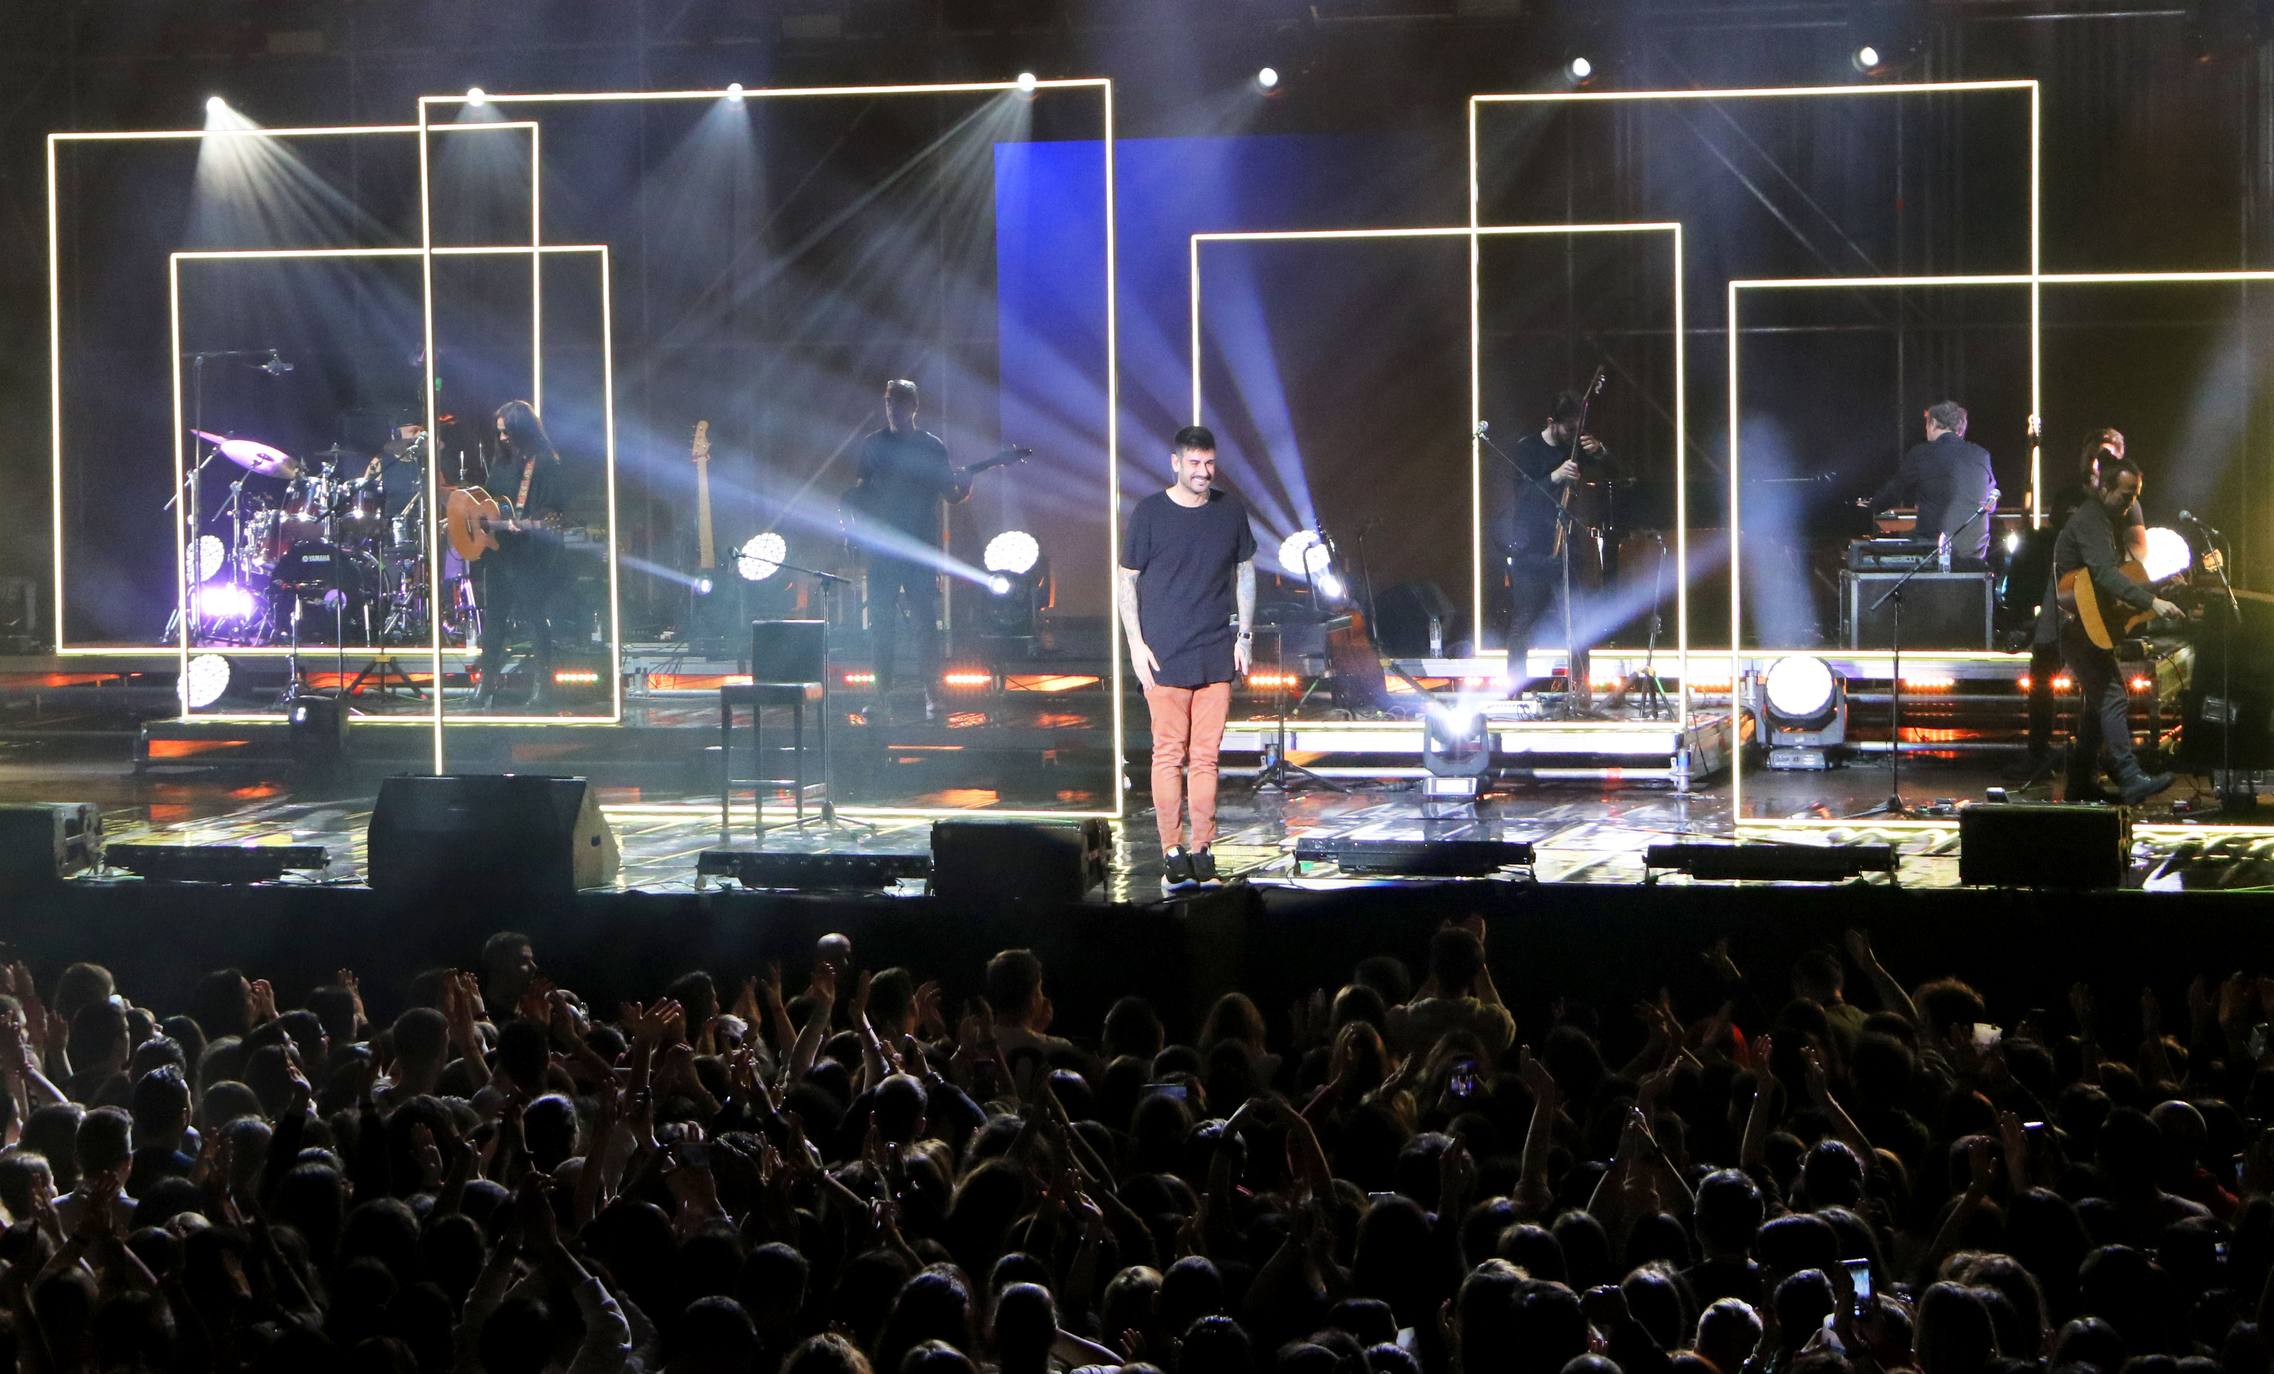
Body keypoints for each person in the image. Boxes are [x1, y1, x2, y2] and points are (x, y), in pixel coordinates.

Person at [1117, 426, 1255, 893]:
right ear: (1175, 462)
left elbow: (1245, 570)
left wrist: (1246, 635)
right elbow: (1127, 580)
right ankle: (1171, 849)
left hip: (1215, 649)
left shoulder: (1228, 510)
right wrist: (1135, 644)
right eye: (1194, 463)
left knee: (1206, 757)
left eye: (1209, 463)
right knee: (1168, 753)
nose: (1203, 472)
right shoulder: (1150, 513)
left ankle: (1202, 849)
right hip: (1164, 654)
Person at [2008, 429, 2142, 786]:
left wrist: (2131, 588)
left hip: (2095, 604)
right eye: (2099, 455)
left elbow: (2135, 549)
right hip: (2064, 595)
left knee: (2101, 688)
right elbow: (2048, 543)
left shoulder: (2123, 502)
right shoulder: (2074, 501)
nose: (2103, 461)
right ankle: (2041, 753)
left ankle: (2090, 763)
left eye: (2111, 456)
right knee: (2045, 671)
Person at [2052, 455, 2179, 805]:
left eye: (2135, 495)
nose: (2131, 504)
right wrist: (2151, 603)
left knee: (2097, 706)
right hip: (2078, 627)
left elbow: (2108, 582)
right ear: (2104, 488)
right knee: (2113, 696)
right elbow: (2105, 575)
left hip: (2087, 626)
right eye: (2125, 496)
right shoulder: (2091, 520)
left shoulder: (2106, 520)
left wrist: (2155, 591)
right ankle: (2129, 775)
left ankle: (2080, 782)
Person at [845, 380, 970, 721]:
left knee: (924, 624)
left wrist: (966, 485)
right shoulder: (873, 444)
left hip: (918, 547)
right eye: (888, 403)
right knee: (881, 623)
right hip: (884, 548)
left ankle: (932, 692)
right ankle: (882, 694)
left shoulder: (931, 446)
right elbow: (861, 490)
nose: (892, 410)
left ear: (913, 407)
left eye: (898, 404)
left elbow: (951, 493)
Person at [1502, 392, 1610, 696]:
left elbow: (1617, 472)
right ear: (1552, 423)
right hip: (1532, 552)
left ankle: (1580, 691)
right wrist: (1554, 476)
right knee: (1524, 621)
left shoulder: (1573, 448)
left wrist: (1601, 451)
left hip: (1565, 549)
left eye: (1578, 430)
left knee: (1576, 621)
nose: (1574, 436)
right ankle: (1514, 690)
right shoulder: (1528, 449)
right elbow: (1522, 496)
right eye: (1569, 429)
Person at [474, 400, 567, 710]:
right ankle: (486, 684)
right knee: (494, 620)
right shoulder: (501, 463)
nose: (502, 438)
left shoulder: (545, 463)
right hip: (501, 554)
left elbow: (552, 511)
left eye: (507, 432)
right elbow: (488, 504)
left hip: (531, 555)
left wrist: (527, 523)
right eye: (499, 432)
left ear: (522, 430)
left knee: (534, 616)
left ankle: (544, 686)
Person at [1858, 400, 1999, 564]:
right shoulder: (1981, 454)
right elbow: (1991, 501)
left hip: (1935, 545)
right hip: (1975, 550)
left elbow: (1894, 491)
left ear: (1932, 424)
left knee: (1875, 550)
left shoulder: (1922, 453)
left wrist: (1871, 507)